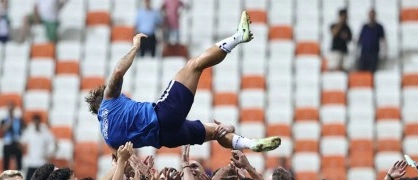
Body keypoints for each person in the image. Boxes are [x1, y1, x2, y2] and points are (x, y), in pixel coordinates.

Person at [85, 13, 282, 153]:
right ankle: (239, 36)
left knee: (215, 133)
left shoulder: (108, 138)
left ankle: (250, 144)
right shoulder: (109, 100)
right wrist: (136, 47)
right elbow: (119, 71)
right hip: (163, 116)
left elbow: (123, 158)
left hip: (166, 139)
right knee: (194, 65)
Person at [21, 114, 56, 180]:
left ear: (39, 122)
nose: (36, 124)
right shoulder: (29, 130)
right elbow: (22, 144)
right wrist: (25, 154)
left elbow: (55, 143)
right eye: (35, 122)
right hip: (31, 161)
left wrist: (51, 154)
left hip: (42, 162)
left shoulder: (45, 131)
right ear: (33, 122)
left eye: (37, 122)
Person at [0, 102, 25, 171]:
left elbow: (22, 131)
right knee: (6, 163)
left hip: (16, 142)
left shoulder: (19, 120)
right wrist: (10, 122)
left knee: (19, 162)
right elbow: (3, 130)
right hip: (7, 142)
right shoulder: (4, 120)